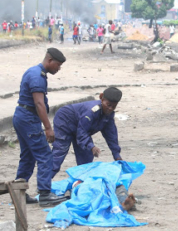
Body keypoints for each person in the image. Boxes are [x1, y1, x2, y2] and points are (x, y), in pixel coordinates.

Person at [13, 48, 67, 207]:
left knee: (28, 156)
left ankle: (18, 193)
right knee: (45, 155)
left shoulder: (33, 71)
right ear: (50, 61)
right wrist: (48, 128)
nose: (59, 68)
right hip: (28, 118)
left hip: (22, 116)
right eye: (58, 65)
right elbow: (39, 103)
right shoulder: (38, 76)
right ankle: (44, 194)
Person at [51, 87, 123, 178]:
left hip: (80, 127)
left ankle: (82, 182)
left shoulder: (108, 115)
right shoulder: (91, 111)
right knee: (59, 152)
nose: (110, 108)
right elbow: (82, 133)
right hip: (65, 120)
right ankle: (44, 186)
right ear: (101, 98)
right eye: (108, 105)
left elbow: (111, 135)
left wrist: (117, 155)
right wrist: (92, 146)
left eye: (113, 106)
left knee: (86, 155)